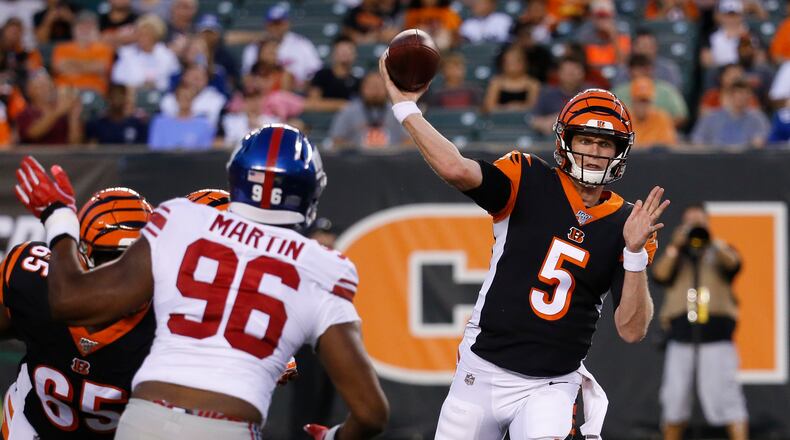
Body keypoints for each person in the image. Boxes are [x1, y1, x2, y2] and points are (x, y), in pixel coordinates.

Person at [14, 123, 389, 440]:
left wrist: (60, 217)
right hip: (226, 426)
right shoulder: (321, 265)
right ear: (310, 192)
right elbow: (371, 412)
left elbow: (70, 302)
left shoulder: (180, 218)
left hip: (142, 421)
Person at [379, 54, 667, 440]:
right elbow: (456, 169)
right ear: (565, 140)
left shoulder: (628, 223)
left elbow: (632, 330)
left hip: (552, 383)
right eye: (586, 139)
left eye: (605, 143)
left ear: (620, 151)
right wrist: (405, 107)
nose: (594, 152)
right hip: (482, 369)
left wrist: (634, 254)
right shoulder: (526, 177)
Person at [0, 187, 156, 439]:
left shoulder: (168, 321)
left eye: (136, 259)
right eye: (110, 258)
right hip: (33, 423)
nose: (125, 273)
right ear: (79, 253)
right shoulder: (34, 281)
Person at [652, 204, 748, 440]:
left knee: (725, 397)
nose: (695, 226)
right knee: (674, 400)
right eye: (690, 222)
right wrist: (676, 245)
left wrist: (710, 240)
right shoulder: (677, 254)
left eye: (699, 221)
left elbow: (735, 264)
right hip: (681, 336)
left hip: (716, 337)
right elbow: (660, 275)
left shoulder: (719, 250)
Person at [240, 5, 322, 85]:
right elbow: (247, 77)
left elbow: (315, 72)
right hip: (263, 92)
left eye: (279, 23)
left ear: (287, 24)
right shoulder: (254, 47)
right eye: (272, 23)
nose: (276, 27)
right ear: (266, 25)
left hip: (298, 92)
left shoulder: (302, 44)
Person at [328, 72, 407, 150]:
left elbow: (410, 141)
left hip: (392, 158)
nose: (375, 92)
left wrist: (395, 150)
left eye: (379, 87)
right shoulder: (348, 111)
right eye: (371, 87)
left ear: (386, 89)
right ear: (362, 88)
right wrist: (354, 149)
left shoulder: (398, 111)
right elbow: (337, 140)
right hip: (357, 159)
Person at [613, 54, 688, 127]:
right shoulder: (619, 92)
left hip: (661, 135)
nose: (643, 72)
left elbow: (681, 116)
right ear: (630, 71)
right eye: (639, 68)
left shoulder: (666, 90)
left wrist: (658, 126)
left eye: (646, 68)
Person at [111, 13, 180, 91]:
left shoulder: (167, 56)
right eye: (140, 34)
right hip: (130, 96)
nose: (142, 38)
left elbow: (174, 81)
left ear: (156, 36)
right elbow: (117, 79)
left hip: (159, 95)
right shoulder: (125, 53)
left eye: (147, 35)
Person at [691, 79, 770, 148]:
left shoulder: (758, 118)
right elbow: (697, 139)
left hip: (747, 160)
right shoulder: (711, 117)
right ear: (730, 95)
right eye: (739, 93)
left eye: (746, 93)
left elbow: (764, 138)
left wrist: (759, 141)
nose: (742, 97)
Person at [52, 10, 114, 96]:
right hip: (65, 91)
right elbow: (59, 67)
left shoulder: (104, 48)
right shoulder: (61, 48)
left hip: (93, 91)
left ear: (96, 29)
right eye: (81, 25)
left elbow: (101, 67)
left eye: (89, 26)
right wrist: (90, 66)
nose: (85, 30)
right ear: (73, 29)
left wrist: (71, 65)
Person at [17, 70, 83, 145]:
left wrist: (74, 114)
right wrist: (58, 111)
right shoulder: (26, 113)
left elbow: (76, 143)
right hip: (37, 155)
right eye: (40, 86)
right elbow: (33, 134)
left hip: (63, 155)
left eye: (48, 85)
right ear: (29, 91)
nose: (47, 89)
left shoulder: (64, 112)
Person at [531, 55, 590, 135]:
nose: (571, 74)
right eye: (567, 71)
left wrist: (557, 119)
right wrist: (543, 124)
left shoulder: (591, 94)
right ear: (559, 73)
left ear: (583, 73)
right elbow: (534, 120)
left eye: (574, 70)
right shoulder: (547, 94)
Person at [147, 84, 215, 150]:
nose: (185, 100)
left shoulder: (204, 124)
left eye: (188, 97)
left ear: (194, 98)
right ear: (176, 99)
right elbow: (154, 149)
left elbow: (205, 151)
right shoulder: (160, 123)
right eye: (181, 97)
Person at [305, 36, 361, 112]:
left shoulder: (358, 81)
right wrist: (341, 105)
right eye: (341, 50)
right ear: (333, 54)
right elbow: (312, 103)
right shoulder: (322, 75)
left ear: (355, 55)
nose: (345, 53)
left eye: (349, 50)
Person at [482, 46, 540, 113]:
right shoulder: (496, 82)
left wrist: (518, 107)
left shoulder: (533, 84)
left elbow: (534, 107)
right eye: (508, 62)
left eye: (515, 61)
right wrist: (507, 108)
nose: (511, 65)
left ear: (524, 63)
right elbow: (489, 107)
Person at [629, 77, 678, 149]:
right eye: (639, 101)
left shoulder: (662, 118)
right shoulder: (625, 119)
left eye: (646, 101)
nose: (642, 106)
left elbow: (669, 146)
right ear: (633, 101)